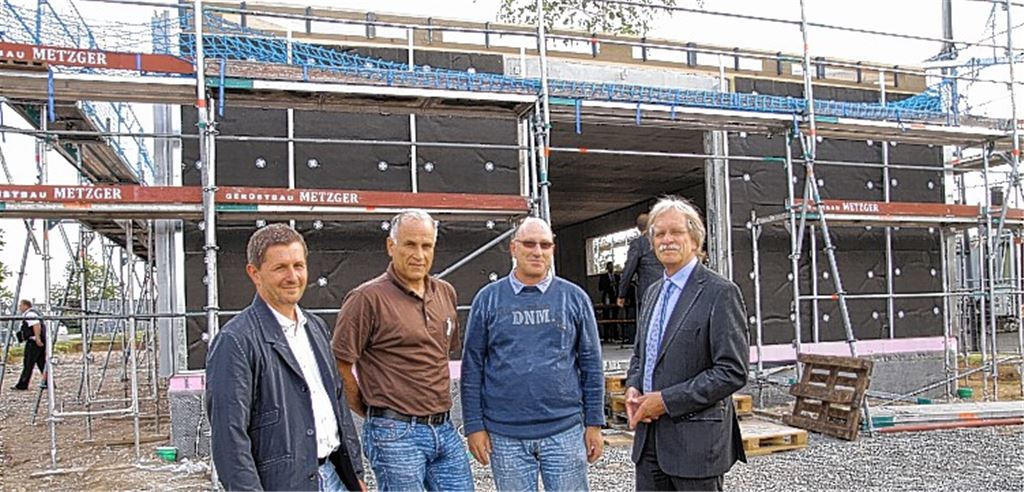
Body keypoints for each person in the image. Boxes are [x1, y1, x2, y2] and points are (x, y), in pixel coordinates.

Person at [205, 224, 364, 491]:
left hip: (334, 477)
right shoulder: (235, 341)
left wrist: (355, 474)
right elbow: (229, 439)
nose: (293, 276)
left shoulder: (315, 328)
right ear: (254, 273)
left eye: (298, 265)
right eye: (280, 268)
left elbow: (338, 405)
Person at [332, 210, 473, 491]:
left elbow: (441, 355)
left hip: (444, 429)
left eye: (426, 245)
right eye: (410, 244)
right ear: (390, 246)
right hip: (395, 433)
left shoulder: (445, 293)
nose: (418, 254)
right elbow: (340, 363)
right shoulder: (366, 298)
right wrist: (373, 410)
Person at [461, 217, 605, 491]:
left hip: (564, 431)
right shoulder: (488, 299)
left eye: (545, 245)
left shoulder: (574, 298)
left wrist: (594, 423)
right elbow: (472, 367)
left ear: (552, 249)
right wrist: (474, 426)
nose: (537, 251)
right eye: (529, 244)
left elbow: (591, 364)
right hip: (505, 435)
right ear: (513, 248)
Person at [625, 197, 748, 491]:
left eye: (675, 232)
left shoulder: (720, 292)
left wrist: (665, 401)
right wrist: (634, 385)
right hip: (649, 442)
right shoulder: (653, 292)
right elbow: (642, 354)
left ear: (694, 239)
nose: (666, 240)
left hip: (695, 446)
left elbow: (731, 371)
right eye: (659, 234)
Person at [14, 299, 47, 390]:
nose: (19, 307)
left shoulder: (30, 314)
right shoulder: (32, 314)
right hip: (36, 341)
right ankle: (48, 382)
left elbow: (36, 325)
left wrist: (37, 338)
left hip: (33, 342)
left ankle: (22, 384)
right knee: (42, 363)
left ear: (26, 305)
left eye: (21, 305)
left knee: (28, 363)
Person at [597, 261, 620, 340]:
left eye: (612, 266)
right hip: (607, 297)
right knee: (606, 316)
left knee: (615, 317)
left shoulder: (617, 276)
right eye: (609, 266)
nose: (611, 268)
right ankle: (606, 336)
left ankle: (616, 335)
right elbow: (600, 287)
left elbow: (620, 286)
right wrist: (608, 285)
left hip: (615, 297)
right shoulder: (603, 277)